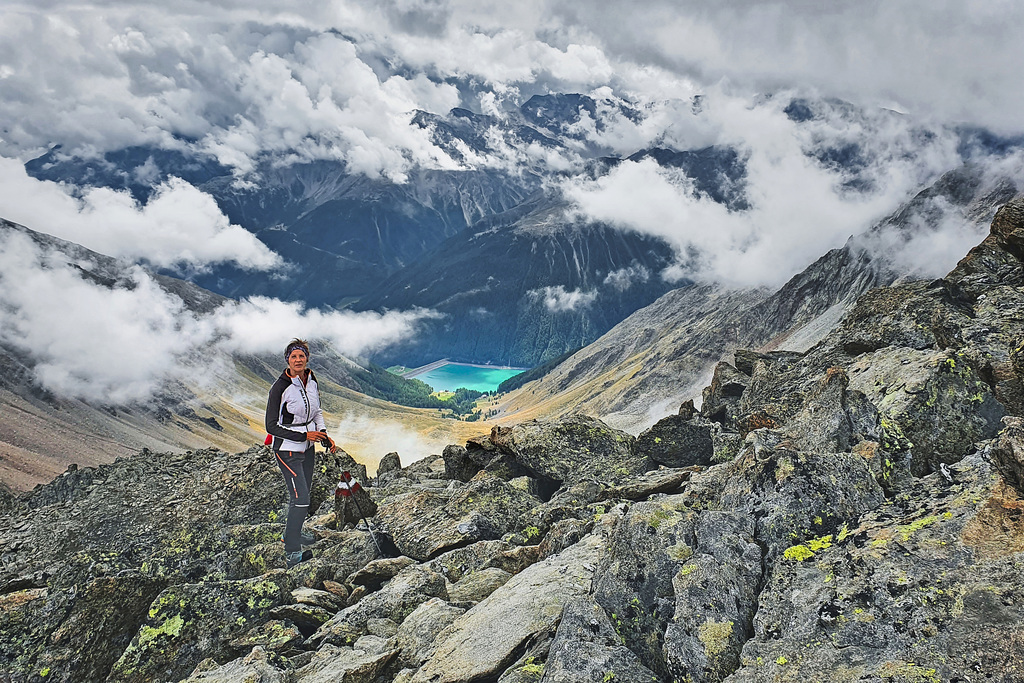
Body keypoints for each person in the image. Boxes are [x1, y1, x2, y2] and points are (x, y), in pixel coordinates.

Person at [265, 338, 336, 568]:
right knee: (301, 498)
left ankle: (292, 534)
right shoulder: (280, 388)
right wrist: (304, 436)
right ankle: (292, 553)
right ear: (287, 360)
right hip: (287, 450)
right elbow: (271, 426)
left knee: (303, 496)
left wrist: (323, 434)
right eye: (293, 356)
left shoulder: (311, 379)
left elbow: (316, 412)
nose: (298, 360)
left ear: (307, 358)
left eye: (301, 356)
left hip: (308, 448)